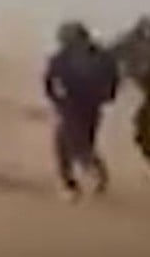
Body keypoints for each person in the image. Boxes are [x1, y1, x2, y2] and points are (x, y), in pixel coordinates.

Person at [44, 21, 120, 199]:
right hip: (91, 105)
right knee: (80, 142)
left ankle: (78, 181)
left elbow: (48, 81)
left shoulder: (63, 56)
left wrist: (57, 100)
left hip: (73, 104)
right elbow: (114, 78)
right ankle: (91, 176)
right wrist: (108, 96)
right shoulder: (103, 55)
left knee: (70, 144)